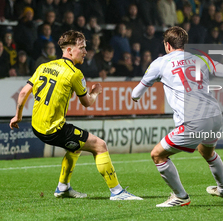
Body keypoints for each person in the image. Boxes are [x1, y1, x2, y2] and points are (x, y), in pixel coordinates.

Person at [9, 30, 142, 201]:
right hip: (53, 129)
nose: (85, 52)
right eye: (82, 48)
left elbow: (23, 92)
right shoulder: (74, 74)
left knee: (76, 146)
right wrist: (95, 92)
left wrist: (17, 116)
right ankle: (117, 192)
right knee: (100, 145)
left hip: (36, 126)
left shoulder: (44, 66)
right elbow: (87, 103)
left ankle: (63, 188)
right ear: (70, 50)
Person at [131, 26, 223, 207]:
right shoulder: (200, 58)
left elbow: (135, 95)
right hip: (214, 116)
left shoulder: (160, 63)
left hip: (193, 121)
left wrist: (157, 79)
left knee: (157, 155)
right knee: (206, 151)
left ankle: (180, 196)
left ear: (167, 45)